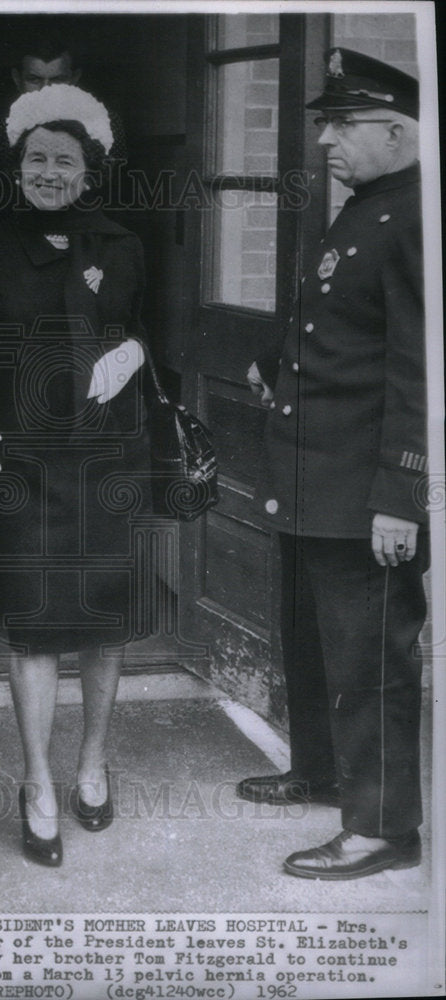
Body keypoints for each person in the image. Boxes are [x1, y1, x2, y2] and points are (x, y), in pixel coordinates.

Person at [237, 49, 428, 880]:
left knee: (369, 660)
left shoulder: (418, 217)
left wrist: (401, 494)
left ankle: (384, 825)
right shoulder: (363, 210)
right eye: (326, 125)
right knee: (312, 643)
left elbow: (419, 368)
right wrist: (278, 362)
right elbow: (337, 328)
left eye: (343, 124)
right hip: (313, 480)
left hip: (364, 491)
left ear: (398, 129)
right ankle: (319, 774)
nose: (326, 142)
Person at [0, 84, 150, 866]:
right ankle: (38, 782)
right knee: (35, 625)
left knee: (104, 621)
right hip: (24, 460)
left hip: (108, 458)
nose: (47, 171)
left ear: (89, 171)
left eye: (63, 160)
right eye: (35, 158)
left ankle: (91, 763)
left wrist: (133, 349)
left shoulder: (124, 247)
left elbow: (142, 328)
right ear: (17, 165)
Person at [0, 31, 127, 170]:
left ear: (74, 79)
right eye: (34, 80)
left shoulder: (107, 124)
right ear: (18, 80)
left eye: (57, 80)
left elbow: (115, 182)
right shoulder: (3, 130)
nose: (46, 89)